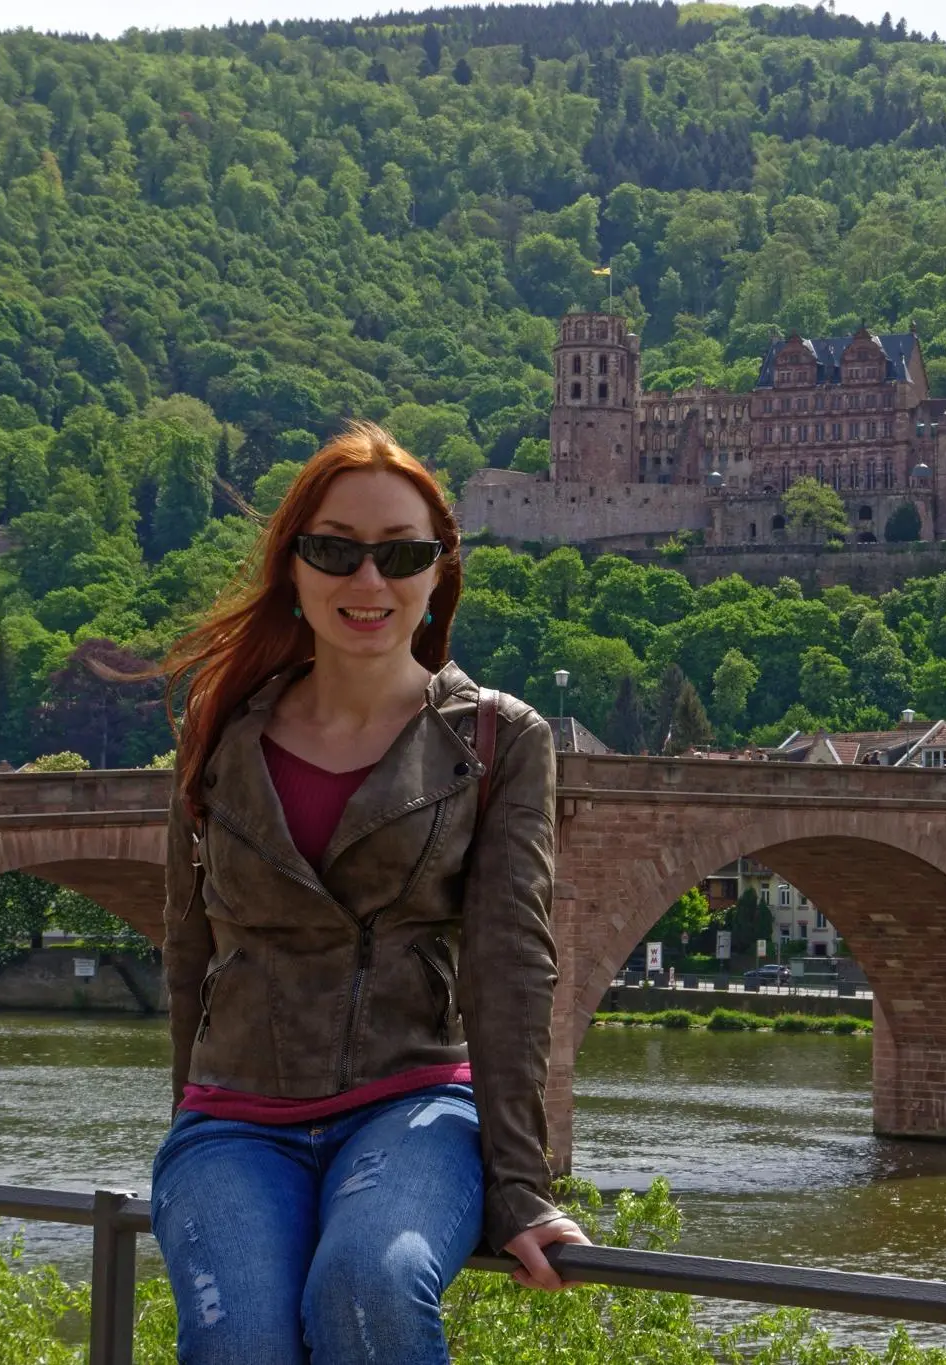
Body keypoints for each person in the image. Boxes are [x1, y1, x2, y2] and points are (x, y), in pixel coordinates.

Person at [149, 423, 588, 1364]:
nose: (368, 580)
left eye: (401, 553)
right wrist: (190, 1114)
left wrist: (520, 1185)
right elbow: (187, 946)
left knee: (369, 1283)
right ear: (294, 565)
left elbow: (512, 968)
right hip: (233, 1117)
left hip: (414, 1105)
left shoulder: (498, 740)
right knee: (242, 1335)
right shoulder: (219, 725)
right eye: (336, 550)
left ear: (438, 575)